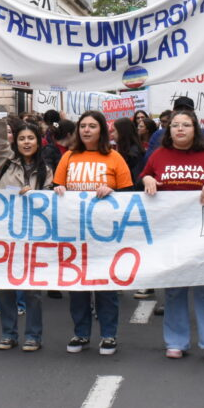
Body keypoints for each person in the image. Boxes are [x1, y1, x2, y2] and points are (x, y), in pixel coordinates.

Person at [141, 110, 204, 362]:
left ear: (196, 130)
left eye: (185, 125)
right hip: (170, 234)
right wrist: (148, 177)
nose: (179, 129)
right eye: (175, 125)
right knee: (174, 289)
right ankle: (176, 341)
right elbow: (142, 180)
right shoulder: (159, 155)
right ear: (168, 130)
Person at [53, 109, 133, 356]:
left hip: (105, 234)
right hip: (75, 233)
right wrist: (58, 190)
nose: (86, 130)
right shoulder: (68, 157)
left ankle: (109, 335)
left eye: (92, 126)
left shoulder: (115, 159)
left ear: (102, 131)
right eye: (83, 126)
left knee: (105, 287)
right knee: (78, 287)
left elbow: (129, 194)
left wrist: (111, 190)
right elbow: (57, 185)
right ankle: (81, 333)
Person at [0, 78, 54, 352]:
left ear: (38, 142)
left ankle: (33, 336)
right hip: (6, 233)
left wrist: (38, 195)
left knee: (32, 290)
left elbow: (50, 202)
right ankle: (8, 333)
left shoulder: (46, 170)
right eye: (23, 138)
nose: (26, 142)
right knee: (4, 286)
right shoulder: (4, 160)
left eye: (31, 138)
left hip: (33, 235)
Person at [112, 117, 145, 184]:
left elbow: (135, 178)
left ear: (122, 132)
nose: (112, 134)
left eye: (114, 131)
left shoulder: (133, 155)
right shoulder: (126, 150)